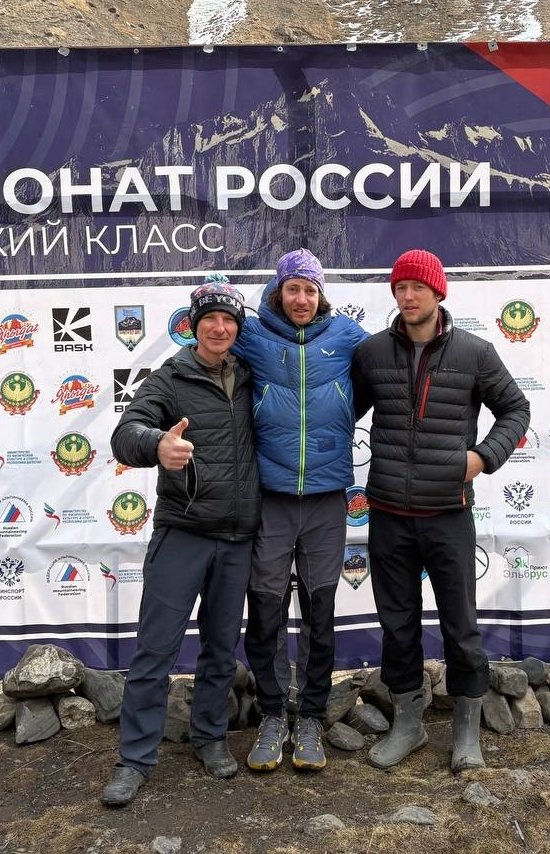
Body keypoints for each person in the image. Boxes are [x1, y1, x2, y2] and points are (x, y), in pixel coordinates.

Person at [351, 249, 529, 773]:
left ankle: (466, 733)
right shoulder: (371, 353)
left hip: (449, 511)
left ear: (438, 292)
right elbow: (341, 412)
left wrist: (483, 457)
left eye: (417, 288)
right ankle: (408, 726)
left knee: (461, 626)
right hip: (387, 512)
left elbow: (516, 408)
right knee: (398, 625)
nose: (407, 297)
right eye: (400, 288)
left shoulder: (475, 353)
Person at [100, 278, 260, 808]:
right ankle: (134, 759)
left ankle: (209, 737)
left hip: (238, 537)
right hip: (183, 532)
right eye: (210, 318)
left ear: (238, 327)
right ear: (193, 325)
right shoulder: (170, 378)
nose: (219, 327)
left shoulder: (253, 375)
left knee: (221, 649)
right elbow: (126, 434)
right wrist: (157, 445)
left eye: (229, 319)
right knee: (156, 649)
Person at [232, 248, 367, 771]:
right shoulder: (252, 334)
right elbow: (208, 345)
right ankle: (272, 713)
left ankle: (309, 715)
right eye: (293, 288)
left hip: (327, 498)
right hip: (270, 496)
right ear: (278, 292)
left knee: (319, 610)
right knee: (265, 608)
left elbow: (382, 378)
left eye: (311, 289)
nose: (302, 299)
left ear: (321, 294)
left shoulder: (347, 337)